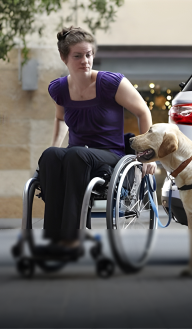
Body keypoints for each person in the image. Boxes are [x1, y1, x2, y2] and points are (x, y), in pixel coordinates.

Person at [38, 26, 156, 256]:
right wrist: (53, 145)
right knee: (51, 156)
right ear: (64, 58)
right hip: (77, 154)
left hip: (110, 156)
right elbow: (61, 118)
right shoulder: (59, 88)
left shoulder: (110, 83)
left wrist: (148, 154)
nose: (85, 60)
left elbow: (143, 111)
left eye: (89, 54)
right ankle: (54, 238)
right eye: (78, 56)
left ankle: (73, 237)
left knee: (75, 154)